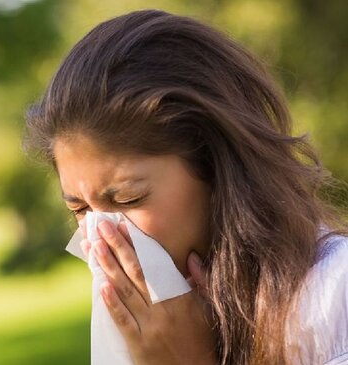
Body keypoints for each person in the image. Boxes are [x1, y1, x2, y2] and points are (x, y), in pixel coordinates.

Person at [23, 9, 348, 365]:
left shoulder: (333, 298)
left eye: (129, 198)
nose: (101, 240)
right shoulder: (156, 332)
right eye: (80, 210)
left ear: (215, 167)